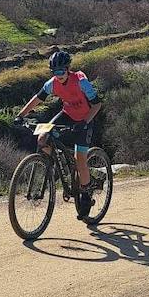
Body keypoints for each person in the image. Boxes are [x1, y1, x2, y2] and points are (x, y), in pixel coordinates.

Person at [14, 48, 103, 220]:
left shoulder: (81, 81)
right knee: (42, 138)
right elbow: (37, 99)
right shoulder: (52, 83)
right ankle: (50, 165)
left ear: (68, 69)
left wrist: (84, 123)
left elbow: (97, 105)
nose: (59, 74)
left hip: (85, 118)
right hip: (67, 114)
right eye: (55, 72)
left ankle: (85, 193)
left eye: (61, 71)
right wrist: (21, 114)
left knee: (80, 159)